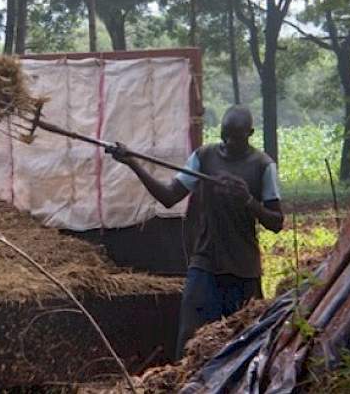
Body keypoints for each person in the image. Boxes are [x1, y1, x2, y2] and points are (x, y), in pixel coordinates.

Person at [108, 105, 283, 359]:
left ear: (251, 133)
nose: (229, 142)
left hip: (243, 269)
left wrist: (248, 200)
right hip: (205, 263)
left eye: (237, 137)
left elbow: (276, 222)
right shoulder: (204, 157)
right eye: (226, 134)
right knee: (191, 340)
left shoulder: (263, 166)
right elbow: (169, 197)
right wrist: (132, 163)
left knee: (244, 344)